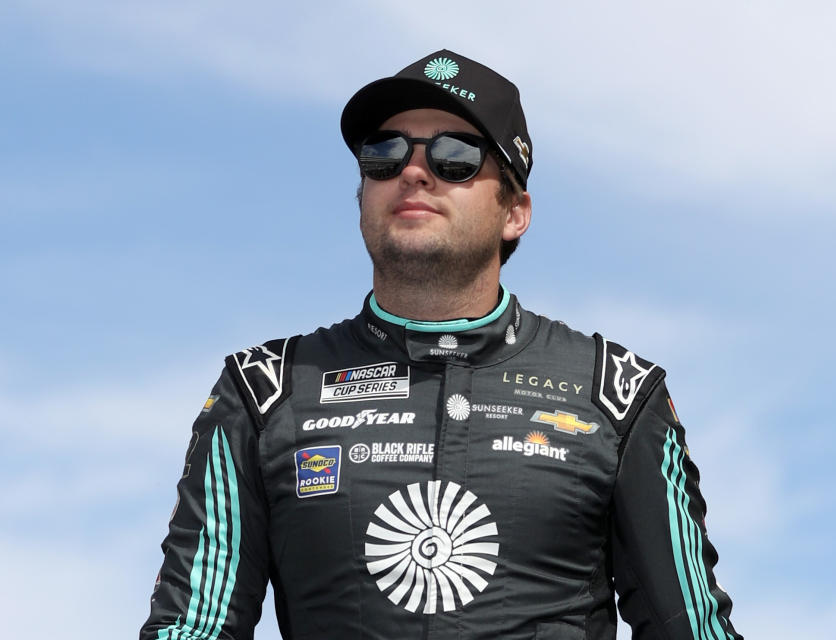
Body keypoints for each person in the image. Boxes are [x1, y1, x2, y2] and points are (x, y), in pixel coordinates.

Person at [141, 49, 743, 640]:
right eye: (383, 154)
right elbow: (193, 628)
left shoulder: (617, 394)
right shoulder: (263, 391)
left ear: (515, 212)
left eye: (455, 156)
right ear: (361, 199)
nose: (411, 172)